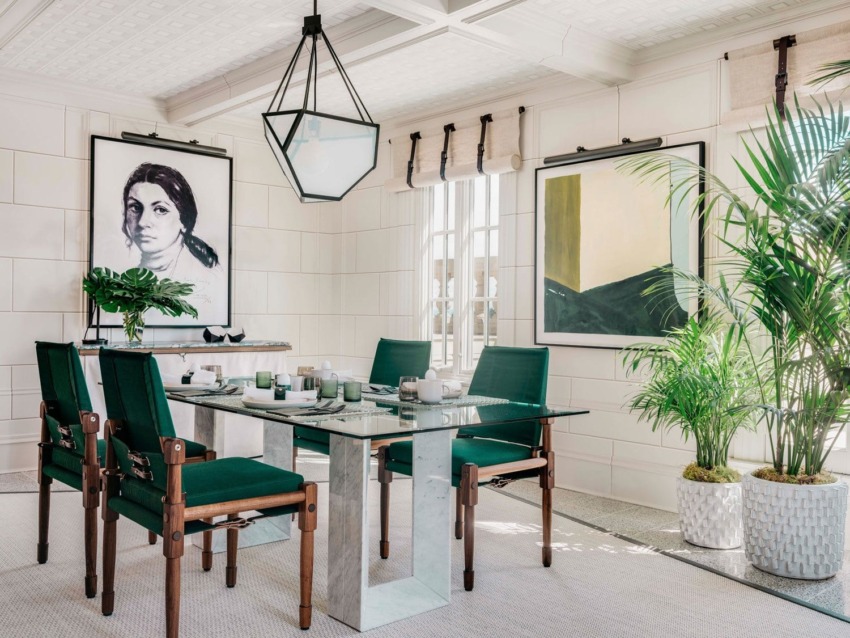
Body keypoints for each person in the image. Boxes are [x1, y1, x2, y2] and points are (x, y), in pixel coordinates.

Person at [121, 163, 224, 319]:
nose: (142, 222)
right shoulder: (126, 282)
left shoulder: (207, 278)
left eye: (160, 210)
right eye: (135, 207)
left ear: (184, 220)